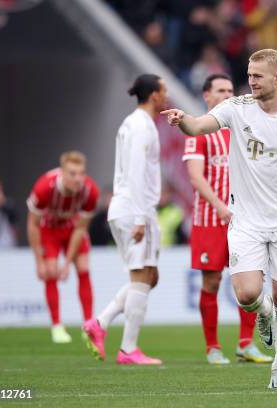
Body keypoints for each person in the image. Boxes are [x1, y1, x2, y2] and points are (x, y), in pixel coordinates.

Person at [163, 49, 277, 388]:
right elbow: (198, 126)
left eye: (258, 75)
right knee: (246, 295)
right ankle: (264, 314)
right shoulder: (235, 108)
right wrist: (182, 119)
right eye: (249, 74)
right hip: (246, 220)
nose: (251, 81)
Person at [182, 73, 272, 365]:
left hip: (244, 220)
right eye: (220, 90)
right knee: (211, 282)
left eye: (230, 90)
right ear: (206, 96)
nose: (226, 94)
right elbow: (196, 178)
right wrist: (220, 206)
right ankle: (212, 348)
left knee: (250, 281)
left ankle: (246, 344)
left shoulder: (242, 130)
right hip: (210, 219)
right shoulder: (199, 131)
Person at [83, 74, 167, 365]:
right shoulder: (141, 126)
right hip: (134, 208)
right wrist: (142, 218)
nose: (166, 94)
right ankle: (128, 349)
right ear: (154, 95)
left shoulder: (135, 123)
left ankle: (100, 323)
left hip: (134, 207)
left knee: (149, 277)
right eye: (163, 89)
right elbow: (135, 172)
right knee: (141, 275)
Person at [26, 151, 99, 343]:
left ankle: (88, 325)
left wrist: (67, 263)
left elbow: (81, 228)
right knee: (50, 271)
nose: (78, 179)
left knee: (83, 268)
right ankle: (57, 326)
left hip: (73, 229)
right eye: (73, 174)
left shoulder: (90, 191)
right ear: (62, 173)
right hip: (49, 230)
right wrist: (38, 261)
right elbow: (33, 224)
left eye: (81, 173)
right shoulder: (44, 187)